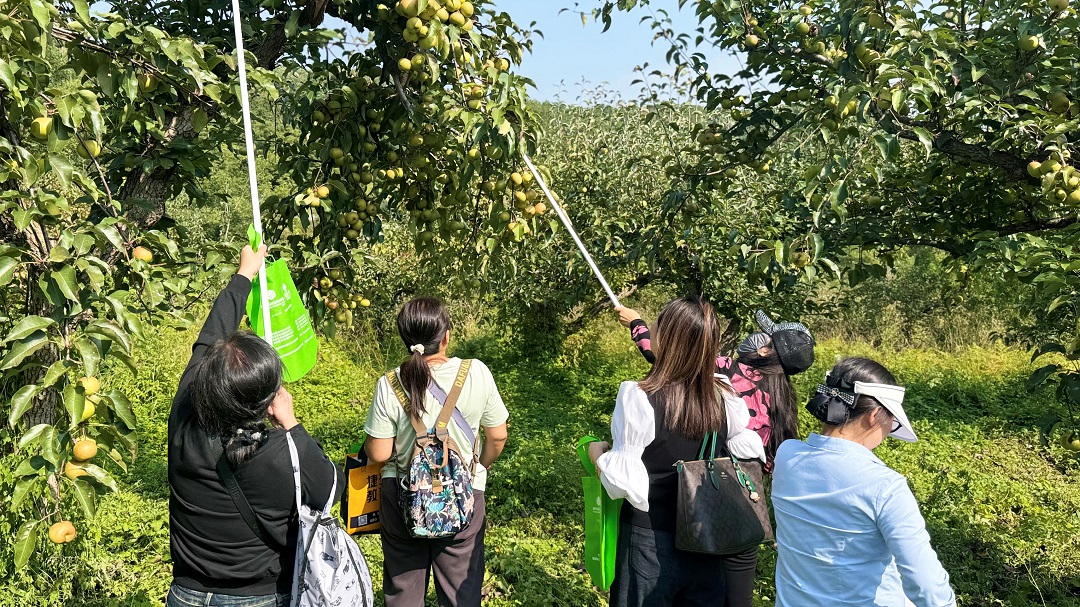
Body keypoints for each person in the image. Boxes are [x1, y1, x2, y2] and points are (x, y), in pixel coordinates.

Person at [167, 245, 343, 607]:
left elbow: (208, 338)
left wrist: (243, 276)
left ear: (207, 378)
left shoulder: (185, 414)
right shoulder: (279, 453)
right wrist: (291, 425)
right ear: (267, 400)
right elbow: (329, 490)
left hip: (186, 592)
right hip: (258, 597)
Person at [590, 296, 767, 607]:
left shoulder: (639, 396)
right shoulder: (723, 394)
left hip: (651, 540)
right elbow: (745, 451)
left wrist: (597, 454)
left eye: (656, 324)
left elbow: (621, 484)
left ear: (668, 339)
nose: (652, 328)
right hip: (709, 536)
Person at [771, 357, 956, 607]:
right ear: (875, 415)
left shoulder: (787, 456)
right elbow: (927, 586)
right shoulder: (885, 487)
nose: (890, 429)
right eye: (893, 421)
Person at [363, 297, 509, 607]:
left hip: (402, 496)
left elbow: (378, 453)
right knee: (461, 591)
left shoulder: (389, 383)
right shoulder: (476, 372)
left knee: (403, 589)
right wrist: (476, 467)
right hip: (463, 494)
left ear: (405, 339)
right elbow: (497, 436)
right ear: (446, 336)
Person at [617, 307, 814, 469]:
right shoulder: (783, 396)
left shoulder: (730, 370)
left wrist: (637, 324)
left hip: (703, 471)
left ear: (764, 350)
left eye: (764, 336)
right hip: (740, 481)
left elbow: (670, 357)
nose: (755, 335)